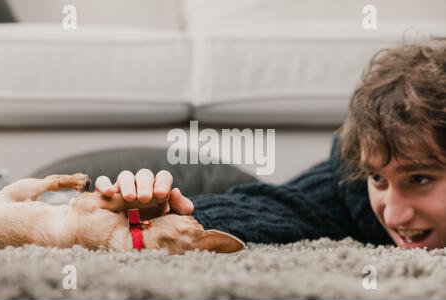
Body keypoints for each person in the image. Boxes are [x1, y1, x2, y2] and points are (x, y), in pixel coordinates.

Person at [96, 39, 446, 250]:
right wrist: (172, 219)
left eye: (420, 179)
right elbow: (275, 208)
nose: (395, 214)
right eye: (379, 179)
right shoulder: (350, 181)